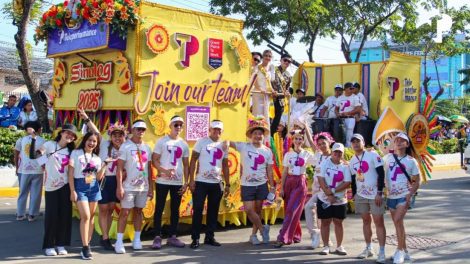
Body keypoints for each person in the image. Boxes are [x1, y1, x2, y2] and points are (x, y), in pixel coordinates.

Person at [226, 117, 275, 245]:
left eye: (260, 134)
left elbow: (269, 170)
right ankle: (263, 229)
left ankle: (253, 235)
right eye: (255, 133)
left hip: (261, 184)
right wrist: (224, 143)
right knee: (248, 210)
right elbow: (229, 143)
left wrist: (272, 187)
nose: (258, 136)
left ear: (263, 136)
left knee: (258, 211)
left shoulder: (267, 151)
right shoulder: (243, 146)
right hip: (247, 184)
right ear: (251, 135)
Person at [189, 120, 230, 249]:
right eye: (214, 129)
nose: (216, 132)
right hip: (201, 181)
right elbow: (193, 159)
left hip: (216, 182)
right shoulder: (201, 141)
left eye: (219, 130)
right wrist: (191, 180)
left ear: (222, 131)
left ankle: (209, 237)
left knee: (213, 211)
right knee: (198, 210)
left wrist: (228, 183)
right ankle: (195, 238)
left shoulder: (224, 145)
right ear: (210, 129)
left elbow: (225, 164)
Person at [38, 124, 77, 256]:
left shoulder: (72, 152)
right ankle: (49, 245)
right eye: (68, 133)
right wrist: (35, 145)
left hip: (66, 186)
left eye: (73, 135)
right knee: (52, 217)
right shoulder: (49, 145)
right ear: (61, 133)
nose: (70, 136)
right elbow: (38, 158)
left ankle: (61, 244)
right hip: (51, 186)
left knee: (65, 217)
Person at [114, 120, 153, 254]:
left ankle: (137, 239)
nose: (141, 132)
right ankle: (119, 241)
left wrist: (151, 188)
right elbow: (119, 168)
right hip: (128, 186)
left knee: (138, 211)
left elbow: (149, 169)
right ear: (133, 130)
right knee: (124, 212)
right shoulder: (125, 146)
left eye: (143, 129)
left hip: (143, 187)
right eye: (138, 129)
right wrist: (119, 187)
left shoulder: (147, 148)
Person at [151, 116, 190, 249]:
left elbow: (186, 165)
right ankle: (157, 236)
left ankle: (172, 236)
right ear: (170, 126)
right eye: (176, 125)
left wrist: (186, 182)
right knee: (159, 208)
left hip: (177, 182)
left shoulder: (184, 144)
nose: (178, 127)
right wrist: (164, 170)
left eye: (181, 125)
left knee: (175, 209)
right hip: (162, 180)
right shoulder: (162, 141)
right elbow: (154, 160)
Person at [349, 134, 387, 263]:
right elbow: (354, 179)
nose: (355, 144)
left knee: (378, 222)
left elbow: (381, 173)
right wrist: (354, 193)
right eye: (353, 142)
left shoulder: (372, 155)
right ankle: (369, 248)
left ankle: (382, 251)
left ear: (363, 142)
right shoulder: (352, 160)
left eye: (358, 141)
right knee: (366, 221)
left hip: (375, 194)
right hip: (361, 195)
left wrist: (380, 192)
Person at [69, 131, 106, 260]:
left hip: (94, 187)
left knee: (91, 218)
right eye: (89, 140)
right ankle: (84, 247)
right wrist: (72, 190)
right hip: (80, 186)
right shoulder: (76, 153)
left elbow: (99, 177)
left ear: (97, 144)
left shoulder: (97, 158)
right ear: (85, 140)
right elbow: (71, 173)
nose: (91, 143)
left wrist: (105, 165)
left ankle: (87, 244)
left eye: (94, 141)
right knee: (85, 216)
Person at [274, 128, 315, 247]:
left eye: (300, 139)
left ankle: (283, 237)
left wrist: (307, 130)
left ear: (303, 140)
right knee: (289, 209)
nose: (298, 141)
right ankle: (295, 234)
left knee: (292, 209)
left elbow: (317, 156)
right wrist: (281, 188)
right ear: (292, 140)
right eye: (296, 138)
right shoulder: (288, 154)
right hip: (289, 182)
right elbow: (285, 172)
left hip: (300, 182)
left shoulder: (307, 154)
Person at [384, 133, 420, 264]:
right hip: (391, 196)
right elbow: (375, 167)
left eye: (402, 140)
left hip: (404, 196)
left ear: (407, 144)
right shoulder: (387, 158)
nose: (398, 142)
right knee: (398, 224)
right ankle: (405, 251)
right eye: (397, 140)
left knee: (398, 220)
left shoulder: (411, 161)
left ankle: (399, 250)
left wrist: (410, 194)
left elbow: (417, 181)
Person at [317, 143, 351, 256]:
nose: (337, 154)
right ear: (332, 152)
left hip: (339, 199)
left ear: (342, 154)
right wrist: (328, 193)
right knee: (325, 222)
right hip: (324, 198)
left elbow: (347, 182)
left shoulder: (345, 166)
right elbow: (321, 178)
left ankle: (339, 246)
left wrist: (333, 192)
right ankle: (326, 246)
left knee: (338, 222)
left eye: (340, 152)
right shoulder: (324, 162)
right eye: (335, 151)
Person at [98, 123, 127, 251]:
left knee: (110, 208)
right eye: (114, 135)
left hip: (118, 180)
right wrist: (86, 118)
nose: (117, 138)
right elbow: (95, 131)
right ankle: (105, 238)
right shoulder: (104, 144)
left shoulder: (126, 147)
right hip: (105, 179)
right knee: (103, 208)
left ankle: (106, 235)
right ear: (110, 137)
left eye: (120, 135)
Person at [304, 132, 333, 249]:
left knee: (325, 216)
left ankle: (326, 239)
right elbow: (311, 142)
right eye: (319, 144)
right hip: (317, 189)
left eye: (324, 143)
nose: (321, 145)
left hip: (327, 190)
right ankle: (315, 233)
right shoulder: (318, 155)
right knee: (310, 208)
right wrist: (305, 125)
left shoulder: (334, 156)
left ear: (329, 142)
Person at [14, 121, 45, 222]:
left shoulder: (21, 140)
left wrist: (17, 166)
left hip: (24, 170)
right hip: (37, 170)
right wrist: (44, 168)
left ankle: (20, 214)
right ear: (38, 129)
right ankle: (32, 214)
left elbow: (16, 154)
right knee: (36, 193)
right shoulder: (43, 141)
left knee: (22, 192)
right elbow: (43, 157)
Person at [250, 50, 275, 128]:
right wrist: (260, 90)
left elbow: (269, 82)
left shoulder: (270, 69)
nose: (267, 57)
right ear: (263, 57)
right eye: (266, 56)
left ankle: (265, 137)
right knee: (258, 115)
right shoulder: (257, 67)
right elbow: (254, 81)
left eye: (269, 56)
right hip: (258, 94)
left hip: (266, 95)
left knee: (266, 116)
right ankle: (255, 133)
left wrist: (273, 91)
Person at [270, 54, 292, 136]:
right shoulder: (273, 70)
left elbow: (287, 88)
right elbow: (268, 82)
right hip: (271, 99)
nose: (287, 62)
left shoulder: (289, 75)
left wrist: (287, 92)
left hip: (281, 101)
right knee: (268, 120)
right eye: (285, 60)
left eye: (289, 61)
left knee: (276, 122)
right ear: (281, 60)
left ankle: (271, 140)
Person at [335, 82, 361, 147]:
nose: (352, 90)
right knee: (342, 134)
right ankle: (341, 148)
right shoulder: (340, 98)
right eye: (350, 88)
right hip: (341, 119)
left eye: (353, 88)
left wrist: (348, 113)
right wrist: (337, 114)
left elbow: (358, 109)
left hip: (350, 118)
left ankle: (349, 148)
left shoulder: (355, 97)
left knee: (349, 134)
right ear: (345, 89)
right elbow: (336, 109)